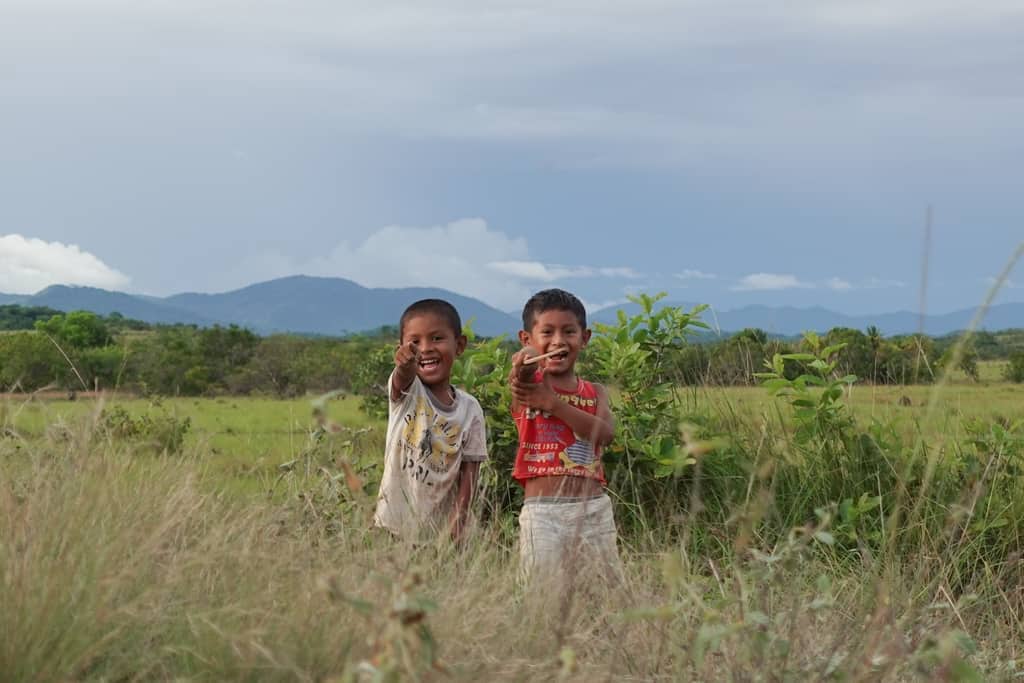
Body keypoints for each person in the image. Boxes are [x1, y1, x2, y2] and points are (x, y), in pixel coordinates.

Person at [508, 288, 622, 584]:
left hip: (594, 509)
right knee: (542, 596)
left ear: (584, 339)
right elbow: (522, 376)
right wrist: (529, 359)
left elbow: (605, 434)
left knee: (604, 593)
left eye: (568, 332)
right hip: (542, 515)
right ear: (526, 339)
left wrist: (555, 405)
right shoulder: (529, 386)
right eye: (547, 332)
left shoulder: (595, 392)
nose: (558, 341)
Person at [373, 299, 488, 544]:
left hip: (440, 535)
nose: (425, 348)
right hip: (392, 527)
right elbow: (402, 376)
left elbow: (470, 472)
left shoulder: (470, 409)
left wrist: (459, 520)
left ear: (459, 345)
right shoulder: (407, 392)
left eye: (437, 338)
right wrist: (405, 365)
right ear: (401, 349)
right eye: (414, 342)